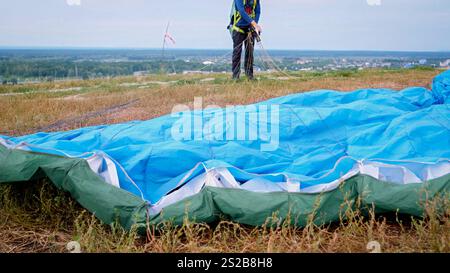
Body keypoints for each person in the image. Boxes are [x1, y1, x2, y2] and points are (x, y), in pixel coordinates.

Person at [229, 0, 262, 80]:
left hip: (249, 28)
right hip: (238, 28)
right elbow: (241, 11)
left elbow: (257, 11)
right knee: (237, 52)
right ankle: (235, 77)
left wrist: (254, 25)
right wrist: (254, 24)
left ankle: (249, 76)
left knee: (250, 53)